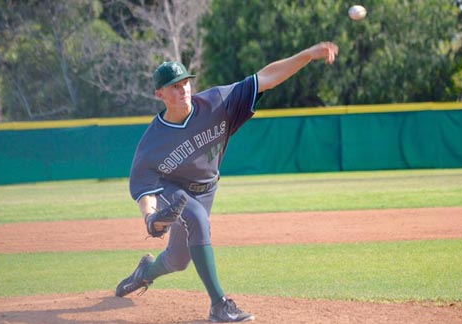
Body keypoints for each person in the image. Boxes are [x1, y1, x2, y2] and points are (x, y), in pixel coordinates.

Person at [115, 42, 339, 323]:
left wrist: (308, 55)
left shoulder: (217, 103)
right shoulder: (152, 143)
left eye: (185, 82)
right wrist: (150, 219)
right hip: (172, 191)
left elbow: (266, 78)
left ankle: (145, 272)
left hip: (207, 188)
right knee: (195, 217)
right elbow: (144, 189)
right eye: (174, 86)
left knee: (178, 259)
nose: (182, 89)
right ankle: (219, 305)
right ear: (159, 94)